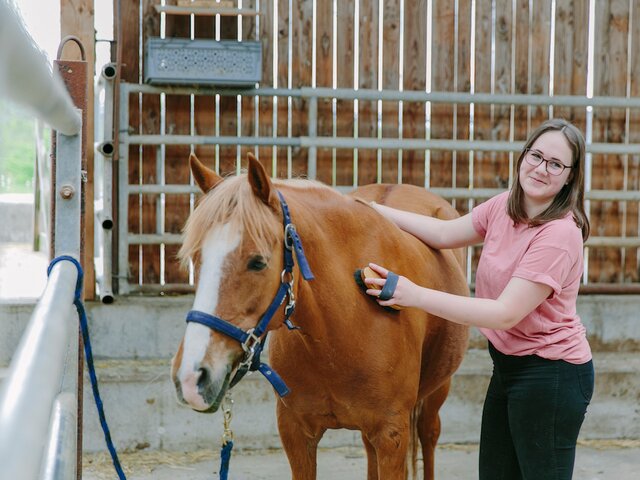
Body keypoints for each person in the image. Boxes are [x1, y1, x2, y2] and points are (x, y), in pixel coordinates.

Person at [365, 118, 594, 480]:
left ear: (569, 177)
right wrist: (372, 210)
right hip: (507, 367)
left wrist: (413, 294)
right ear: (523, 157)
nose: (541, 168)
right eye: (536, 156)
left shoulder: (559, 235)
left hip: (551, 375)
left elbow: (504, 314)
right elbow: (442, 232)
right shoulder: (505, 207)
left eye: (555, 164)